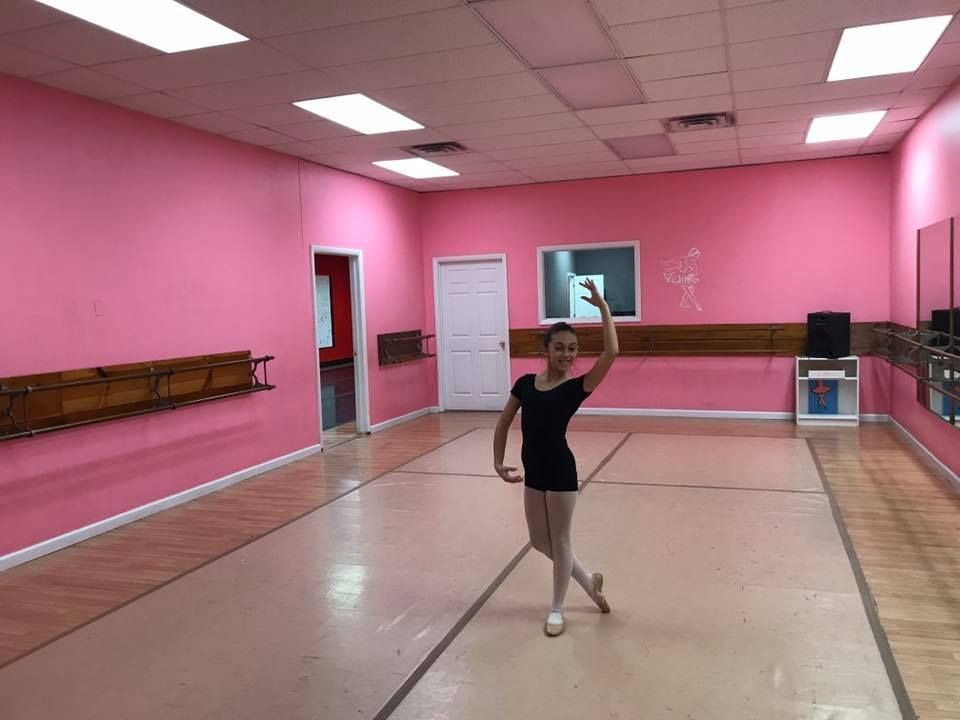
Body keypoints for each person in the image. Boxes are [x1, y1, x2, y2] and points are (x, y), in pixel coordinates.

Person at [493, 278, 619, 636]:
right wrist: (498, 461)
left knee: (561, 540)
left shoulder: (574, 388)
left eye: (573, 349)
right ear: (546, 350)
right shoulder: (526, 384)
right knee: (539, 541)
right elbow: (504, 421)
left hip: (562, 472)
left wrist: (604, 308)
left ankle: (557, 608)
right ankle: (588, 582)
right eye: (560, 348)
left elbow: (611, 354)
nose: (568, 355)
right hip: (534, 471)